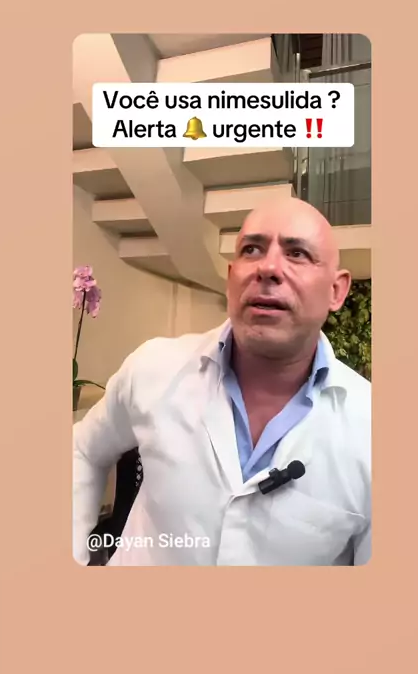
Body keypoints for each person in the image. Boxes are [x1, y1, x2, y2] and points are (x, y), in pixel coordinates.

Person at [73, 197, 371, 566]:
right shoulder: (153, 368)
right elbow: (82, 450)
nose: (268, 268)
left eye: (297, 253)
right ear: (231, 278)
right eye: (252, 249)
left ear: (336, 291)